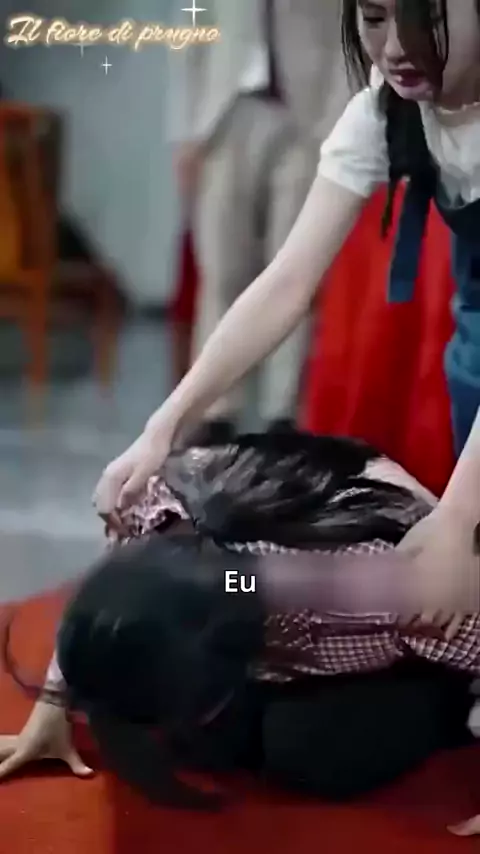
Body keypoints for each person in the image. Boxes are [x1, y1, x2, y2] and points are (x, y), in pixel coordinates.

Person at [93, 0, 480, 620]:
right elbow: (285, 281)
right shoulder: (384, 111)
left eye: (425, 20)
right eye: (374, 19)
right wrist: (161, 428)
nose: (396, 47)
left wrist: (457, 520)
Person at [0, 432, 476, 808]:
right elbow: (117, 605)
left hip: (413, 629)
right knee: (197, 736)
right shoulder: (167, 528)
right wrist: (51, 708)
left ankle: (447, 708)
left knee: (307, 748)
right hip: (275, 596)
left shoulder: (363, 586)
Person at [169, 0, 353, 440]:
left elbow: (348, 38)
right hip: (224, 114)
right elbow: (188, 32)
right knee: (221, 270)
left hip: (303, 119)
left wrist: (337, 126)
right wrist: (184, 132)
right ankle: (216, 411)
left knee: (294, 268)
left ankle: (281, 412)